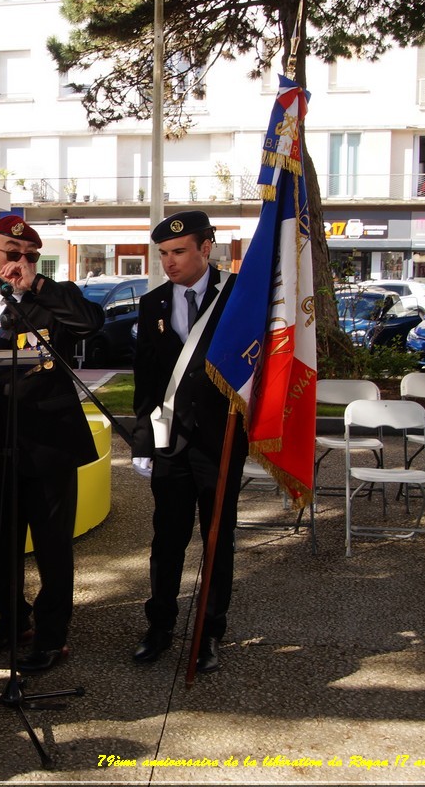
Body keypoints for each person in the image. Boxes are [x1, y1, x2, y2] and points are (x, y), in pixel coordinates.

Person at [0, 215, 103, 675]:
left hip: (51, 442)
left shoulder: (56, 298)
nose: (19, 264)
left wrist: (38, 287)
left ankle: (53, 636)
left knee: (53, 545)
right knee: (2, 540)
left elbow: (90, 324)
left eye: (29, 257)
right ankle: (12, 620)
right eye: (11, 255)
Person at [129, 209, 247, 674]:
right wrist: (142, 442)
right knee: (167, 539)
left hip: (220, 441)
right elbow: (146, 381)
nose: (169, 263)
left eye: (179, 251)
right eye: (163, 254)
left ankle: (209, 633)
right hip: (170, 442)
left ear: (206, 247)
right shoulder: (154, 302)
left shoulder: (238, 297)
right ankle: (160, 627)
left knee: (218, 542)